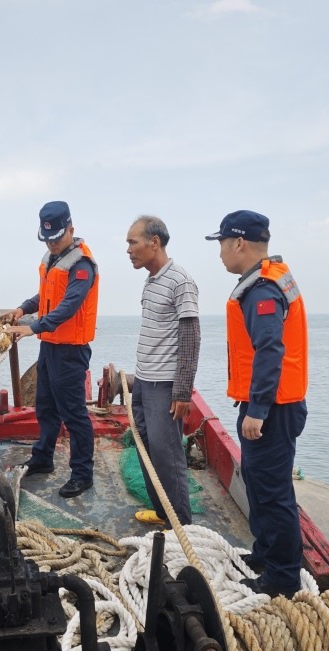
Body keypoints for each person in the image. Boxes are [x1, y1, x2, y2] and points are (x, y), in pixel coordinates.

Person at [205, 210, 308, 597]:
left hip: (272, 409)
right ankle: (266, 554)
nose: (219, 253)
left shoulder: (262, 290)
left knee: (272, 493)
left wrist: (258, 411)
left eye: (221, 244)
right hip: (274, 405)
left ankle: (283, 577)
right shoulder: (267, 279)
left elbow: (269, 350)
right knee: (259, 483)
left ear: (239, 243)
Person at [2, 201, 99, 498]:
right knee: (45, 407)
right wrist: (22, 309)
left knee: (74, 414)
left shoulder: (82, 265)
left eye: (56, 238)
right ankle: (43, 458)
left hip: (71, 351)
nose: (52, 244)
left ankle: (82, 474)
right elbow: (45, 295)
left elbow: (69, 305)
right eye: (47, 239)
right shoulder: (53, 258)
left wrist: (33, 327)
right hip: (50, 347)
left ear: (71, 229)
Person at [125, 215, 200, 527]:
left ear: (154, 242)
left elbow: (190, 338)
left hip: (165, 385)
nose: (128, 250)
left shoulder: (180, 281)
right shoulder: (152, 279)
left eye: (133, 242)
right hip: (144, 381)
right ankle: (162, 511)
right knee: (145, 447)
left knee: (167, 454)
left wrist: (182, 391)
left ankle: (180, 526)